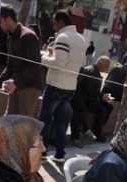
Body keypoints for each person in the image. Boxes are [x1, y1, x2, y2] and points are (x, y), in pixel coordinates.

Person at [38, 10, 86, 163]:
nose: (53, 26)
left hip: (56, 85)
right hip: (70, 87)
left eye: (54, 23)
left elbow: (58, 63)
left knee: (44, 120)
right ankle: (60, 154)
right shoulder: (81, 39)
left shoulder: (63, 37)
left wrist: (44, 57)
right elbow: (83, 63)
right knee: (60, 121)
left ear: (61, 23)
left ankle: (43, 153)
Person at [0, 4, 43, 117]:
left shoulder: (28, 36)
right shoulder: (10, 39)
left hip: (30, 87)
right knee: (10, 122)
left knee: (21, 125)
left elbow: (34, 66)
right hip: (17, 85)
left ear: (9, 19)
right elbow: (10, 66)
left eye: (0, 21)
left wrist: (16, 83)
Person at [70, 56, 113, 145]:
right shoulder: (91, 71)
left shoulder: (96, 72)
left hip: (90, 98)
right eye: (107, 66)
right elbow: (89, 89)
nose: (107, 68)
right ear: (100, 64)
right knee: (80, 110)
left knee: (107, 107)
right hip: (82, 98)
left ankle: (96, 131)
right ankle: (76, 137)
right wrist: (101, 95)